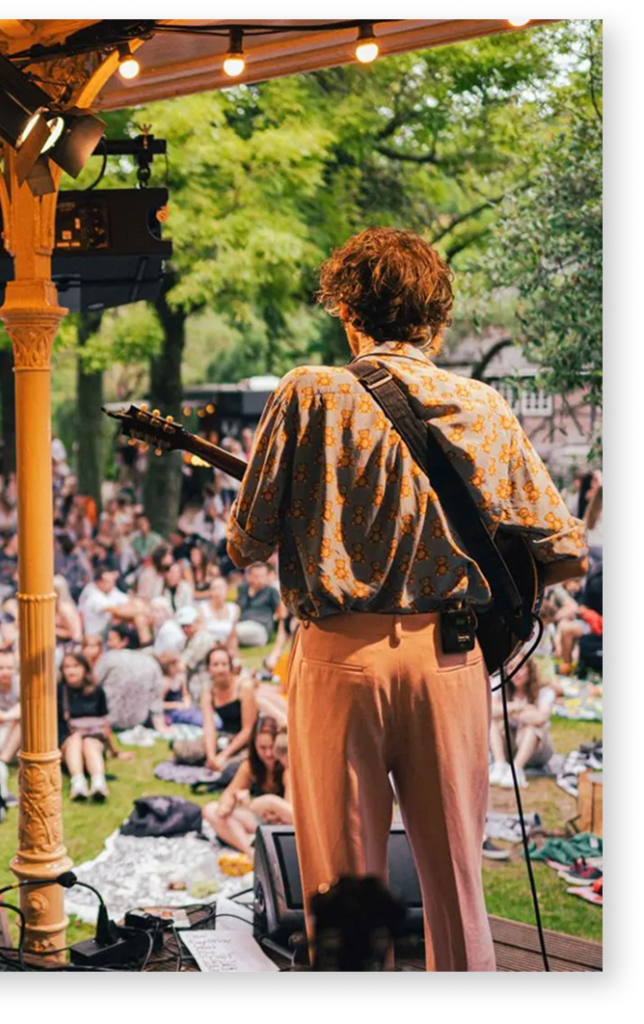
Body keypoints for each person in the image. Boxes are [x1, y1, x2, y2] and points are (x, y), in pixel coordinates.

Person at [226, 227, 587, 972]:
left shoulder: (308, 392)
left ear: (346, 310)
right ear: (436, 318)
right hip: (449, 660)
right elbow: (565, 552)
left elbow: (246, 543)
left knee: (346, 899)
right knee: (457, 886)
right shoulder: (483, 405)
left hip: (339, 659)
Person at [201, 717, 291, 858]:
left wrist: (267, 807)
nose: (268, 754)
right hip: (262, 821)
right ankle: (251, 853)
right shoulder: (251, 766)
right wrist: (229, 804)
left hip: (282, 825)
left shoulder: (287, 768)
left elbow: (291, 814)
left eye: (271, 747)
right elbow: (228, 795)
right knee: (211, 810)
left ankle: (255, 851)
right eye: (262, 748)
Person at [57, 651, 133, 801]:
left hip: (93, 740)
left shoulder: (97, 691)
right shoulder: (59, 691)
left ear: (84, 668)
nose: (71, 671)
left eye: (75, 666)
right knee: (75, 740)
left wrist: (115, 751)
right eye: (67, 667)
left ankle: (98, 783)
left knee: (89, 743)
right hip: (69, 743)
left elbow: (104, 723)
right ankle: (78, 783)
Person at [488, 658, 555, 790]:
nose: (516, 673)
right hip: (510, 744)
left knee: (532, 727)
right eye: (511, 668)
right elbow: (489, 711)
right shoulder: (500, 685)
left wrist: (505, 710)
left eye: (521, 668)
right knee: (492, 722)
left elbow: (540, 718)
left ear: (530, 670)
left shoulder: (543, 691)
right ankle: (499, 764)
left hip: (536, 749)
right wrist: (518, 707)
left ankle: (516, 770)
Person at [200, 645, 257, 773]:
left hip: (247, 740)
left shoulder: (244, 687)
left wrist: (224, 755)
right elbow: (209, 727)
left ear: (230, 667)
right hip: (226, 737)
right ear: (209, 668)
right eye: (215, 665)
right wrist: (211, 756)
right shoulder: (208, 693)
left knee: (236, 766)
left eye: (224, 664)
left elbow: (248, 729)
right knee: (187, 751)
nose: (220, 669)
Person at [236, 562, 282, 648]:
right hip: (242, 624)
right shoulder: (242, 589)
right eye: (256, 576)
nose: (260, 579)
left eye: (263, 576)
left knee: (233, 632)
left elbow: (281, 613)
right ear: (249, 576)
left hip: (261, 627)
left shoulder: (271, 591)